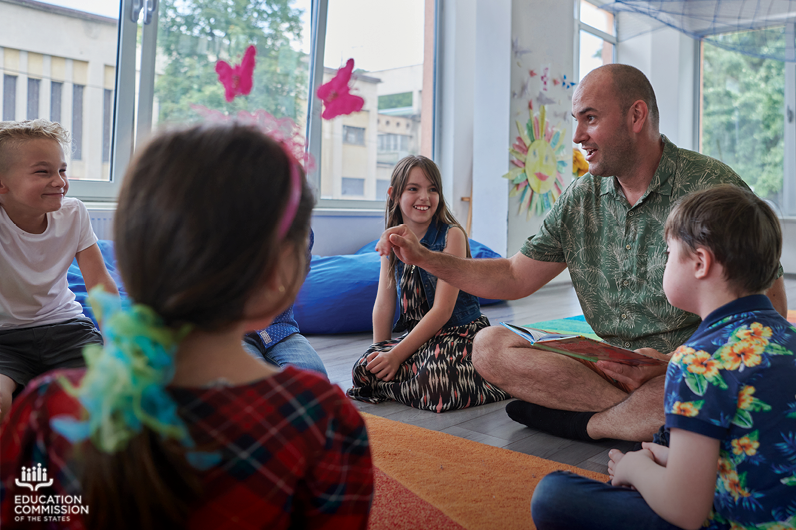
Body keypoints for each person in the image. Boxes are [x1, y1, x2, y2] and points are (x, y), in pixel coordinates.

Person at [376, 64, 787, 441]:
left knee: (729, 383)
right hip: (607, 364)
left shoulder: (710, 187)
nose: (576, 137)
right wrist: (426, 258)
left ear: (636, 116)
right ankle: (654, 419)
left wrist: (673, 362)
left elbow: (768, 305)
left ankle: (592, 424)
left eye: (590, 118)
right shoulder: (581, 197)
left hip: (687, 364)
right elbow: (516, 277)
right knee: (488, 346)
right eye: (576, 120)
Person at [0, 124, 373, 529]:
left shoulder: (44, 409)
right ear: (281, 273)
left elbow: (27, 517)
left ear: (131, 255)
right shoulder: (324, 418)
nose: (58, 180)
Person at [529, 184, 796, 530]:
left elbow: (685, 510)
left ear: (701, 263)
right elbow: (756, 449)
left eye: (669, 252)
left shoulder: (699, 359)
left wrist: (638, 469)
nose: (664, 262)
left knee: (553, 494)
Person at [347, 155, 509, 412]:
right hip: (419, 339)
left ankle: (499, 376)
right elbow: (383, 304)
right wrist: (380, 352)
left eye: (432, 189)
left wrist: (397, 356)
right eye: (413, 188)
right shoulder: (391, 239)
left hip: (458, 335)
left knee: (436, 382)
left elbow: (443, 311)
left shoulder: (451, 235)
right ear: (394, 194)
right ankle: (404, 383)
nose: (424, 197)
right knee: (364, 369)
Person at [0, 119, 118, 424]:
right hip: (5, 340)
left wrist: (118, 339)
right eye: (43, 172)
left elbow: (100, 283)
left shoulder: (74, 213)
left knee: (108, 394)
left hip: (66, 330)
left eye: (62, 170)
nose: (59, 182)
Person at [243, 231, 328, 377]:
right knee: (250, 382)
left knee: (313, 378)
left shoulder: (301, 230)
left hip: (280, 328)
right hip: (233, 331)